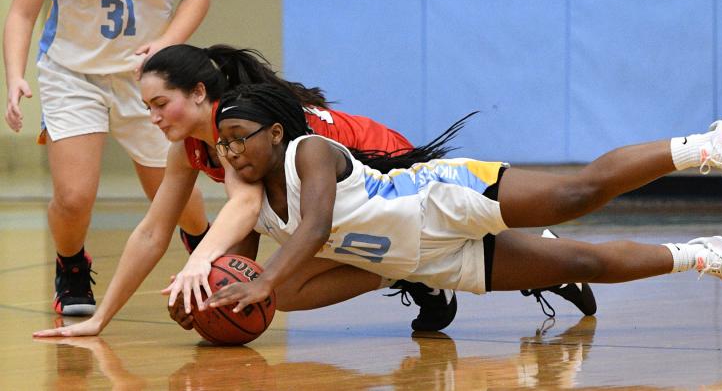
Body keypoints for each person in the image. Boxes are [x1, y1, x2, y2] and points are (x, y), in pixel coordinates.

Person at [172, 81, 722, 326]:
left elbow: (317, 226)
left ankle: (710, 144)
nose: (229, 152)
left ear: (274, 133)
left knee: (574, 195)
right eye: (222, 145)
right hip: (424, 261)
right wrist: (211, 301)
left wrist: (264, 281)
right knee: (583, 266)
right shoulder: (256, 205)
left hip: (439, 201)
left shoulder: (310, 153)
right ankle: (704, 256)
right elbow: (280, 287)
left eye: (239, 139)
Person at [32, 43, 470, 337]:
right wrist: (102, 317)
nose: (154, 117)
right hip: (328, 199)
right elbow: (153, 231)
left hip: (391, 172)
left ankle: (420, 265)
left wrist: (200, 264)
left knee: (267, 275)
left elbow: (245, 203)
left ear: (200, 92)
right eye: (147, 107)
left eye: (161, 103)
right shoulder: (190, 146)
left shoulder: (237, 122)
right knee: (270, 287)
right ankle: (403, 270)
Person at [3, 0, 210, 317]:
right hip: (75, 74)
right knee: (74, 198)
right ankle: (71, 265)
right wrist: (14, 76)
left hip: (149, 79)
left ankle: (209, 257)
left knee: (178, 197)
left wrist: (166, 42)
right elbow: (23, 11)